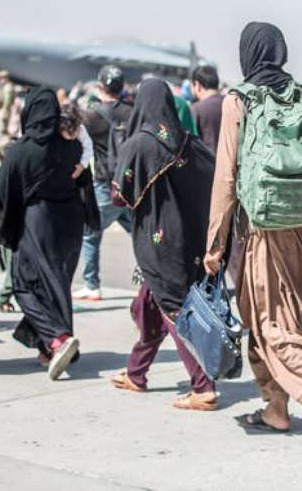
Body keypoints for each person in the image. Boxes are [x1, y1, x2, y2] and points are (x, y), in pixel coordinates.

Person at [204, 22, 302, 437]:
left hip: (265, 230)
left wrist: (214, 243)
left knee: (269, 322)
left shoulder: (239, 100)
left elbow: (226, 179)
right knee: (283, 318)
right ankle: (275, 409)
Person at [109, 78, 217, 411]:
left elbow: (118, 196)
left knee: (172, 308)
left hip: (157, 243)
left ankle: (203, 387)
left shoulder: (138, 145)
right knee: (150, 306)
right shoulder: (190, 142)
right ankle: (135, 373)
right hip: (191, 240)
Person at [0, 87, 95, 380]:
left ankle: (57, 340)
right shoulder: (71, 143)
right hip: (71, 223)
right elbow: (85, 177)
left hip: (39, 223)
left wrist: (1, 223)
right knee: (56, 284)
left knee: (24, 285)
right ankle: (48, 349)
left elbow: (1, 191)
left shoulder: (24, 149)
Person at [73, 66, 132, 301]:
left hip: (104, 184)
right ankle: (151, 280)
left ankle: (91, 284)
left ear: (100, 86)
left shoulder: (91, 115)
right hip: (130, 185)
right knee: (139, 234)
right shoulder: (132, 113)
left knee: (90, 233)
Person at [189, 65, 224, 155]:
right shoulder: (232, 103)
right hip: (233, 165)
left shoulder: (196, 109)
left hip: (208, 164)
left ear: (197, 85)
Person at [0, 70, 15, 142]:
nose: (0, 79)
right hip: (3, 109)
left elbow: (8, 100)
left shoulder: (8, 87)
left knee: (3, 129)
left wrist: (4, 110)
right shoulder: (5, 87)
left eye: (2, 78)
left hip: (4, 110)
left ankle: (7, 143)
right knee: (3, 129)